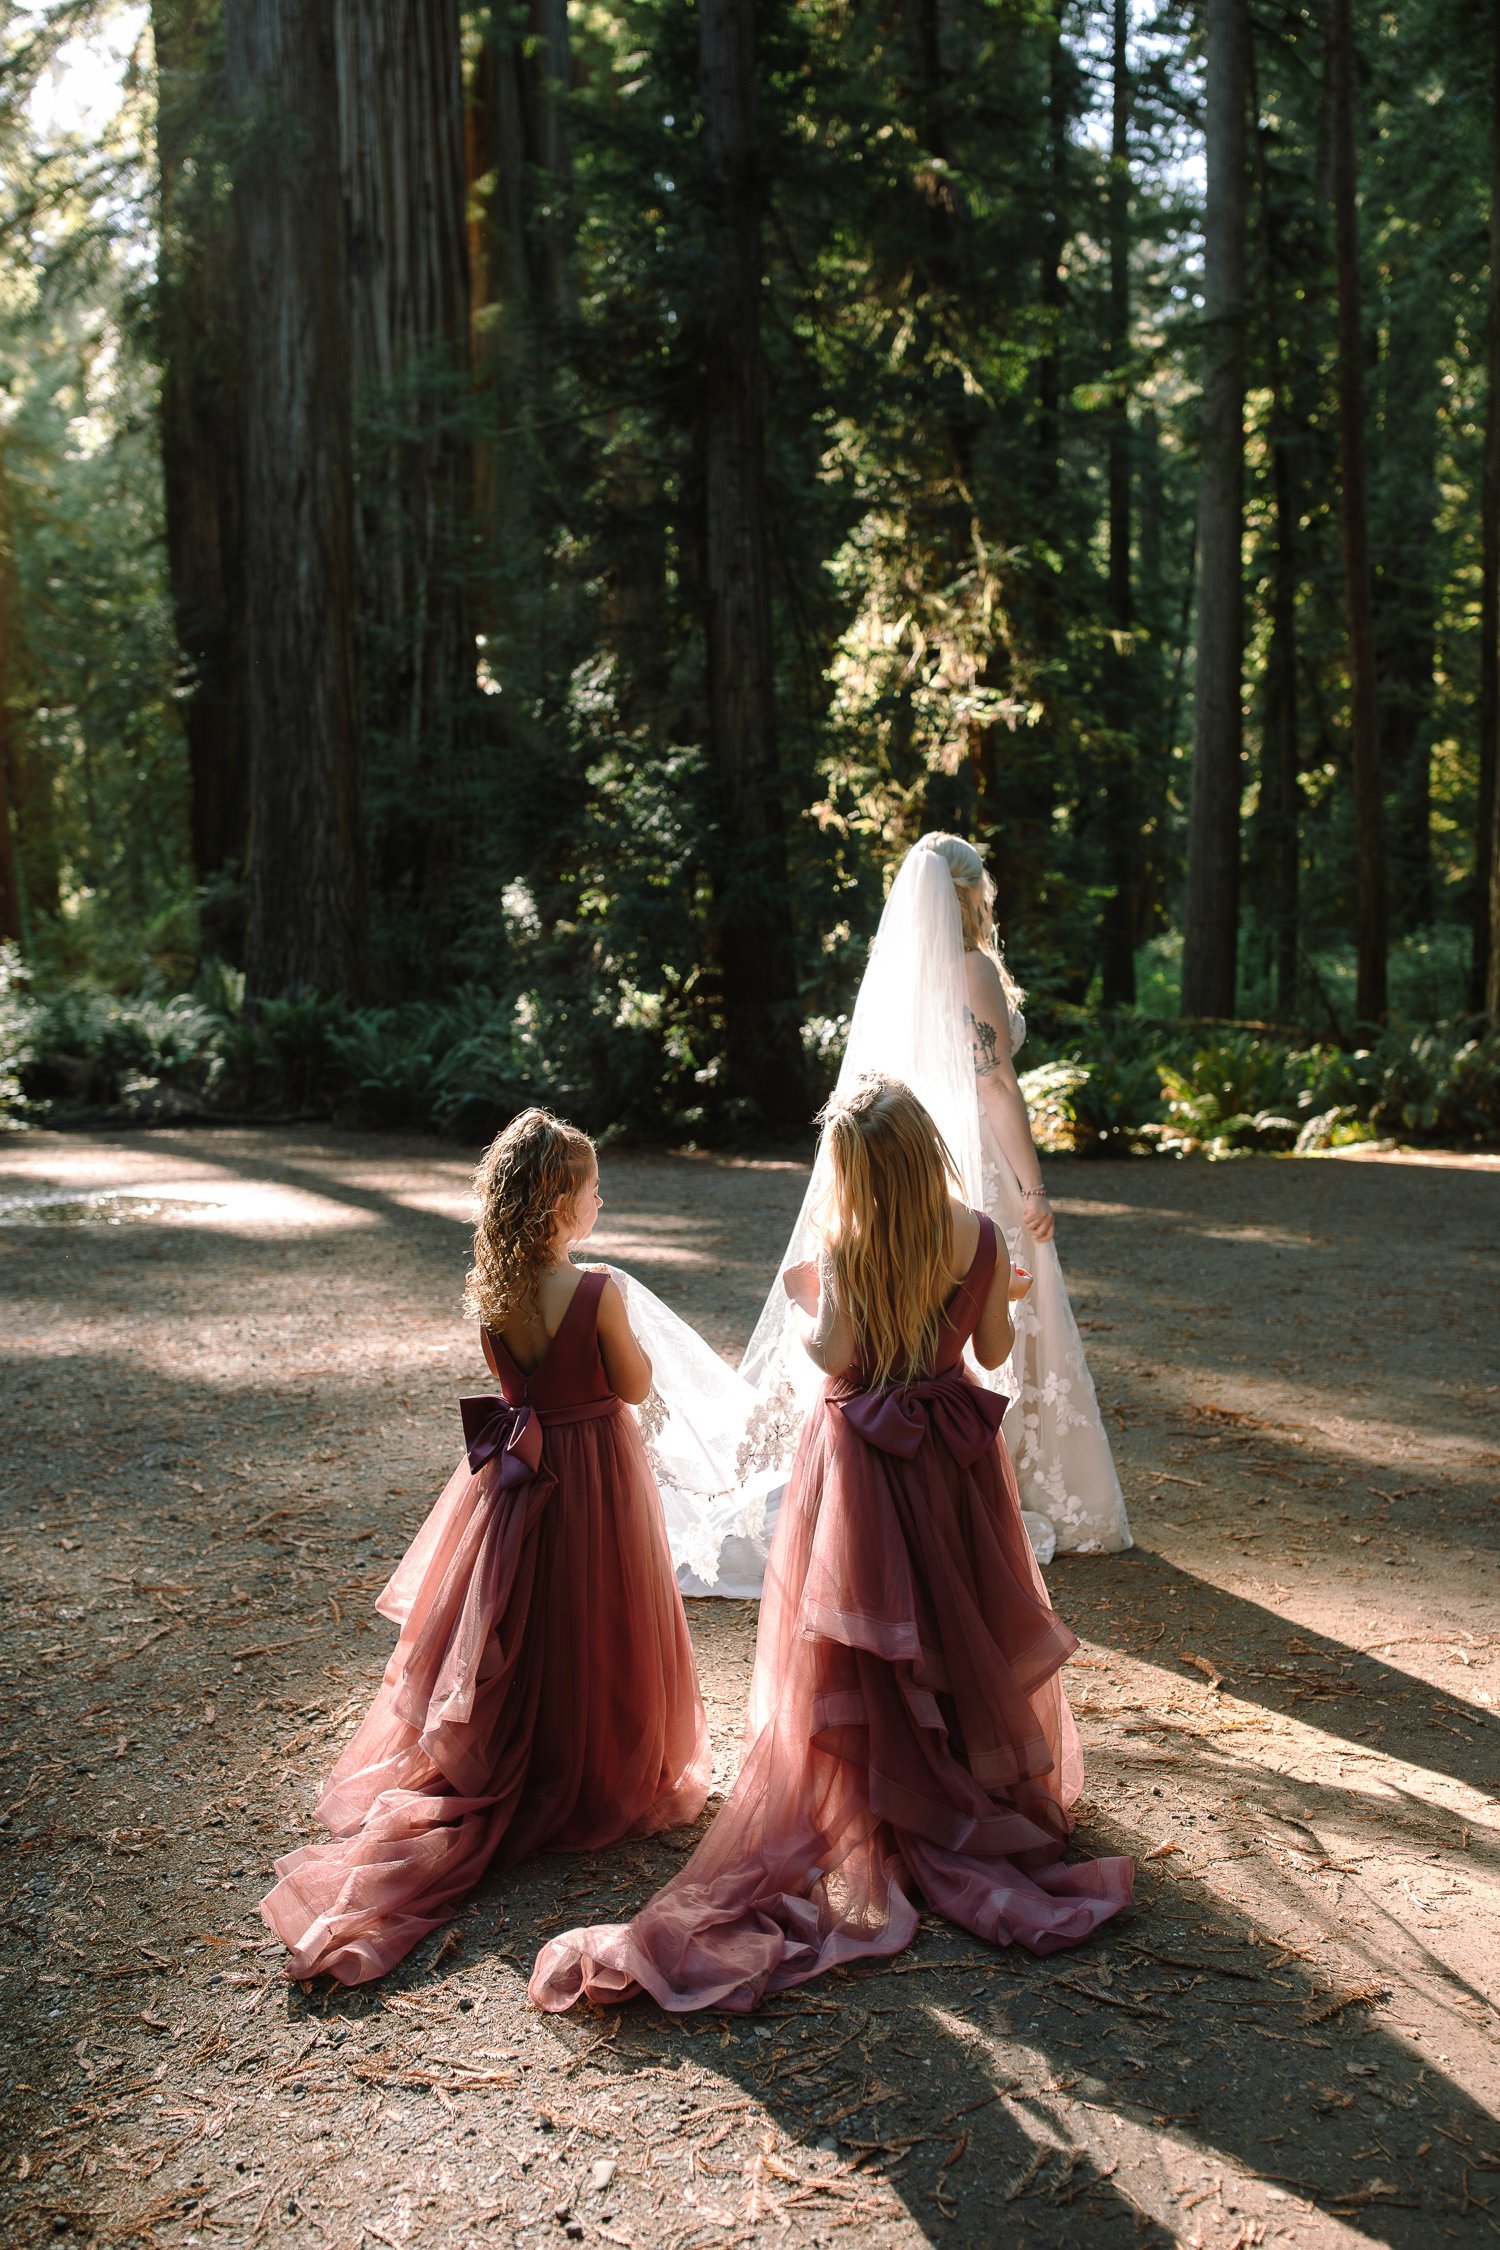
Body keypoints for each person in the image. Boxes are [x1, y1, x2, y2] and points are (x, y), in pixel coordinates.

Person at [530, 1077, 1132, 2016]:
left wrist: (810, 1301)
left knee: (866, 1615)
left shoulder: (846, 1250)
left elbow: (830, 1355)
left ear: (854, 1173)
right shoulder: (978, 1234)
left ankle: (879, 1777)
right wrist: (999, 1290)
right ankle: (962, 1770)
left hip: (861, 1457)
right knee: (948, 1604)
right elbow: (992, 1353)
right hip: (950, 1457)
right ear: (927, 1150)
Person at [259, 1109, 709, 1985]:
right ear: (556, 1206)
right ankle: (595, 1761)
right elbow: (635, 1383)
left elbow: (515, 1379)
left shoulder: (496, 1294)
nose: (601, 1198)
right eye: (591, 1188)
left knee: (522, 1615)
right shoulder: (596, 1292)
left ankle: (527, 1747)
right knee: (596, 1610)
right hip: (591, 1474)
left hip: (512, 1479)